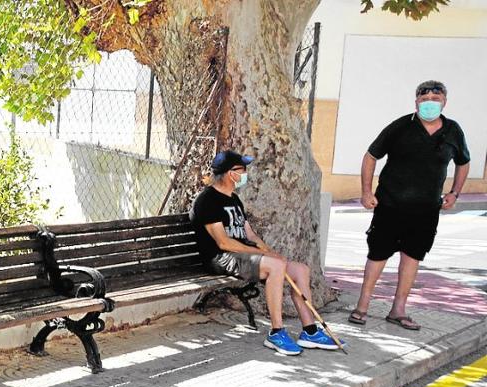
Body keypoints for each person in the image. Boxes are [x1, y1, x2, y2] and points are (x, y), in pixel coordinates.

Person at [190, 150, 341, 356]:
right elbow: (224, 243)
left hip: (244, 255)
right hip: (220, 258)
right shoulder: (207, 200)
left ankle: (310, 331)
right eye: (242, 169)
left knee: (300, 270)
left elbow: (250, 234)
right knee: (276, 266)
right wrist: (265, 257)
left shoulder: (234, 199)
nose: (245, 173)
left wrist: (271, 253)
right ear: (229, 173)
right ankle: (276, 332)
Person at [350, 80, 471, 331]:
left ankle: (398, 310)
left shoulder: (453, 131)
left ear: (444, 102)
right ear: (416, 102)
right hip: (390, 204)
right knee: (378, 254)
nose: (430, 104)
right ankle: (362, 306)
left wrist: (455, 193)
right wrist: (366, 191)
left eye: (435, 100)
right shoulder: (401, 126)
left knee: (412, 257)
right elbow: (371, 156)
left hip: (426, 209)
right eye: (424, 100)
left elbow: (463, 161)